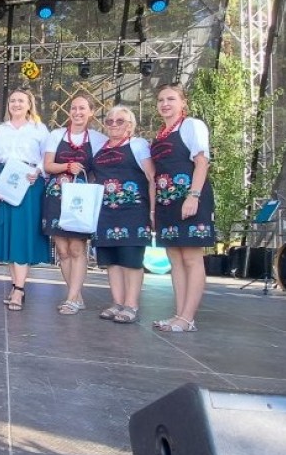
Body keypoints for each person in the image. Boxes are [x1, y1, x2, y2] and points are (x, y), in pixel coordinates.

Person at [150, 83, 214, 333]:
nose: (165, 104)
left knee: (191, 257)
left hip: (189, 198)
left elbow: (202, 162)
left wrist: (193, 196)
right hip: (167, 202)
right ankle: (179, 315)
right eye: (161, 100)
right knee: (175, 259)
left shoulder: (191, 126)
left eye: (171, 99)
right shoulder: (161, 134)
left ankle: (187, 318)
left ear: (183, 103)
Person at [42, 93, 107, 315]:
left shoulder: (97, 139)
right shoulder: (56, 135)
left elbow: (100, 170)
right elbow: (48, 165)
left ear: (91, 112)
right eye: (74, 108)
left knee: (77, 248)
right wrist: (67, 167)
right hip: (57, 196)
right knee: (62, 250)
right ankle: (75, 296)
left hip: (80, 200)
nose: (77, 112)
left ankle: (72, 298)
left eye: (82, 108)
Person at [0, 88, 51, 311]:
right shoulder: (0, 130)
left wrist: (38, 171)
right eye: (13, 100)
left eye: (21, 101)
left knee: (22, 235)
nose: (16, 104)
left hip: (29, 183)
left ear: (29, 104)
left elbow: (47, 156)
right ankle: (16, 285)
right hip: (5, 183)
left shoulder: (39, 128)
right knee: (9, 235)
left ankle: (19, 289)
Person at [92, 105, 155, 324]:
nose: (113, 125)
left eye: (119, 121)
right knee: (112, 261)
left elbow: (152, 178)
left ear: (130, 125)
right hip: (105, 212)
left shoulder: (138, 145)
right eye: (109, 121)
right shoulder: (99, 148)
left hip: (133, 211)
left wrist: (153, 210)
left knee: (131, 260)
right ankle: (117, 303)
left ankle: (131, 305)